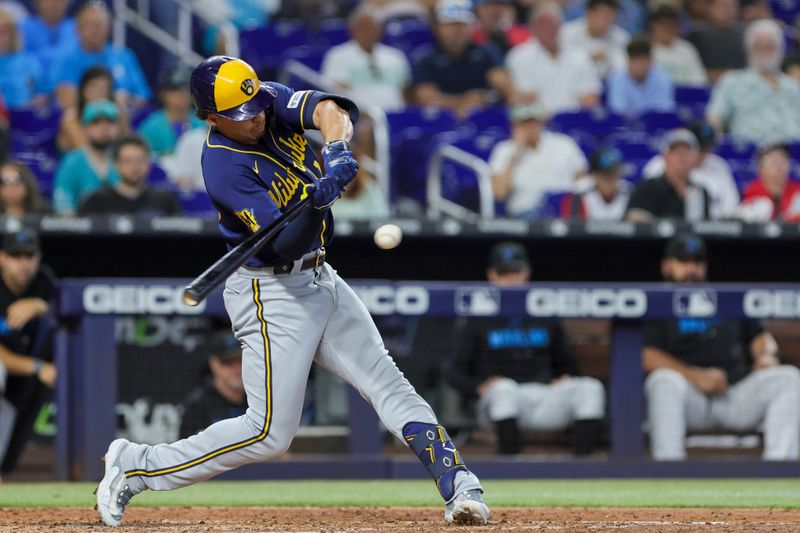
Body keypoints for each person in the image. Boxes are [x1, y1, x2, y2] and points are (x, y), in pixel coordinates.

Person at [94, 55, 490, 527]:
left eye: (256, 105)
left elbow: (330, 111)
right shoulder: (223, 166)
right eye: (242, 115)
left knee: (387, 381)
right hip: (269, 290)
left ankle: (458, 483)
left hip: (320, 276)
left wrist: (338, 150)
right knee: (268, 434)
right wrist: (314, 204)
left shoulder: (262, 99)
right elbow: (285, 241)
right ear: (212, 117)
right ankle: (136, 464)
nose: (256, 116)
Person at [644, 232, 800, 461]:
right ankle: (669, 471)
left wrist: (766, 356)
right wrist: (696, 376)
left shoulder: (725, 297)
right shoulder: (656, 301)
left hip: (733, 393)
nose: (691, 269)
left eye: (697, 262)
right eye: (683, 262)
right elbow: (646, 355)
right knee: (662, 381)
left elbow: (760, 337)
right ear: (667, 266)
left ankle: (780, 472)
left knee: (788, 378)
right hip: (689, 396)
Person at [448, 242, 605, 456]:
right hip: (498, 401)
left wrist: (567, 377)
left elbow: (566, 363)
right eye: (504, 274)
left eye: (516, 273)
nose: (511, 280)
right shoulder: (478, 318)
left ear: (527, 273)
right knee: (505, 389)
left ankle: (582, 468)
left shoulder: (544, 313)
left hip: (543, 395)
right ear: (492, 275)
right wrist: (478, 387)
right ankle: (510, 467)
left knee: (589, 388)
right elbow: (452, 372)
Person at [0, 229, 58, 476]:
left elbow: (66, 318)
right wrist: (36, 366)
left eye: (28, 256)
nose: (23, 264)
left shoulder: (43, 282)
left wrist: (40, 305)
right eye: (16, 256)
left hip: (18, 383)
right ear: (2, 258)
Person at [706, 19, 800, 145]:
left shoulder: (793, 86)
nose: (765, 51)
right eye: (760, 46)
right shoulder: (733, 81)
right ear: (749, 50)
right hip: (749, 154)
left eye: (770, 46)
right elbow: (715, 118)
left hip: (793, 154)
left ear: (780, 49)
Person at [413, 0, 512, 119]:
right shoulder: (425, 58)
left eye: (462, 24)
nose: (457, 30)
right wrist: (465, 102)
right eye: (450, 24)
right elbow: (426, 97)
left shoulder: (487, 52)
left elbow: (504, 86)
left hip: (482, 118)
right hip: (443, 121)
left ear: (472, 26)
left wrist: (486, 97)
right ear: (437, 27)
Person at [490, 103, 588, 218]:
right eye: (524, 124)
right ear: (514, 126)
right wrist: (515, 154)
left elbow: (582, 178)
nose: (530, 128)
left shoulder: (563, 144)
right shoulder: (504, 150)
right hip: (525, 214)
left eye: (533, 123)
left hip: (563, 210)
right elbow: (499, 193)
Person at [49, 1, 150, 110]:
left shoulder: (125, 56)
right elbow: (67, 101)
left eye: (99, 24)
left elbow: (144, 98)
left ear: (108, 28)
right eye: (89, 25)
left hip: (126, 119)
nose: (94, 30)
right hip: (84, 122)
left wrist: (128, 99)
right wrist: (111, 100)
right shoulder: (66, 61)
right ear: (77, 29)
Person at [506, 1, 601, 114]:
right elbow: (527, 98)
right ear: (532, 27)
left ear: (560, 26)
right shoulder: (519, 56)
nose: (548, 29)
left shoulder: (580, 56)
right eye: (543, 24)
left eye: (553, 23)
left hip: (576, 123)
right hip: (539, 122)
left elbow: (590, 96)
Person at [320, 6, 412, 112]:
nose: (367, 32)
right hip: (357, 115)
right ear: (352, 30)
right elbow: (336, 93)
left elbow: (406, 92)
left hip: (395, 113)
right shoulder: (337, 56)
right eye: (363, 27)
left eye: (371, 27)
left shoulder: (396, 56)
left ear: (380, 30)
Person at [643, 120, 739, 219]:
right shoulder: (657, 165)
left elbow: (731, 206)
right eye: (700, 148)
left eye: (706, 148)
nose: (702, 153)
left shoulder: (719, 166)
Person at [78, 135, 181, 216]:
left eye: (140, 161)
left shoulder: (164, 201)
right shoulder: (96, 201)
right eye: (128, 161)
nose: (135, 167)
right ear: (116, 164)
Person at [52, 99, 121, 215]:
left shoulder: (126, 159)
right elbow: (63, 204)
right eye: (96, 122)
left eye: (109, 122)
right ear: (85, 128)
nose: (103, 128)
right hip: (81, 229)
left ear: (117, 127)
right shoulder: (72, 161)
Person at [626, 128, 710, 222]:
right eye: (675, 151)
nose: (681, 156)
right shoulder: (648, 188)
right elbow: (634, 219)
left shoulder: (700, 191)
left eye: (686, 151)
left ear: (696, 158)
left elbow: (703, 227)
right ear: (665, 157)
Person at [179, 332, 246, 439]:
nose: (236, 369)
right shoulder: (198, 406)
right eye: (228, 362)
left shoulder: (259, 400)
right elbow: (187, 453)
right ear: (214, 364)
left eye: (240, 360)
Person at [58, 66, 130, 153]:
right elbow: (87, 153)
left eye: (104, 89)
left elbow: (128, 144)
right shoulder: (71, 117)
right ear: (83, 89)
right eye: (93, 87)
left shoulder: (117, 112)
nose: (98, 93)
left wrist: (121, 113)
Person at [138, 67, 206, 157]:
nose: (181, 94)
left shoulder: (204, 123)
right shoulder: (151, 127)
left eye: (186, 90)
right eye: (174, 90)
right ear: (163, 94)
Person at [559, 0, 629, 80]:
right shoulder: (567, 33)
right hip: (574, 82)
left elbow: (623, 69)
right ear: (589, 13)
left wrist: (608, 57)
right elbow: (560, 64)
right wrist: (588, 58)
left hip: (608, 85)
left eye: (610, 16)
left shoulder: (621, 38)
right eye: (602, 15)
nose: (605, 21)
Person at [607, 36, 675, 117]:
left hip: (656, 126)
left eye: (642, 62)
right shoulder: (618, 78)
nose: (638, 67)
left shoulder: (662, 77)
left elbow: (664, 110)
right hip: (627, 127)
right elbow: (618, 111)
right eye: (635, 62)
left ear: (650, 61)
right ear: (628, 61)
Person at [560, 146, 631, 220]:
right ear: (594, 175)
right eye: (606, 176)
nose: (611, 181)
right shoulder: (578, 193)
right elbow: (571, 226)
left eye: (615, 175)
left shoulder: (628, 192)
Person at [687, 0, 746, 84]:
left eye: (732, 7)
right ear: (712, 8)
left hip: (739, 85)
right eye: (723, 6)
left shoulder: (744, 35)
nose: (728, 11)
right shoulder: (697, 35)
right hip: (706, 85)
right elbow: (694, 71)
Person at [648, 5, 708, 86]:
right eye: (663, 25)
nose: (667, 29)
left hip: (684, 96)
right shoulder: (645, 49)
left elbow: (699, 82)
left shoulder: (687, 50)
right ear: (653, 25)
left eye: (672, 25)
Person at [739, 144, 800, 222]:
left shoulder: (797, 192)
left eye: (783, 160)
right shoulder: (752, 191)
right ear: (761, 168)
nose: (779, 166)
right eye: (774, 161)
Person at [0, 8, 46, 109]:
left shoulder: (30, 63)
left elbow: (43, 94)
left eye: (6, 30)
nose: (3, 36)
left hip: (25, 116)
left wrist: (40, 100)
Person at [19, 0, 77, 71]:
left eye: (59, 1)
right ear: (37, 3)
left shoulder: (78, 27)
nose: (54, 4)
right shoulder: (22, 30)